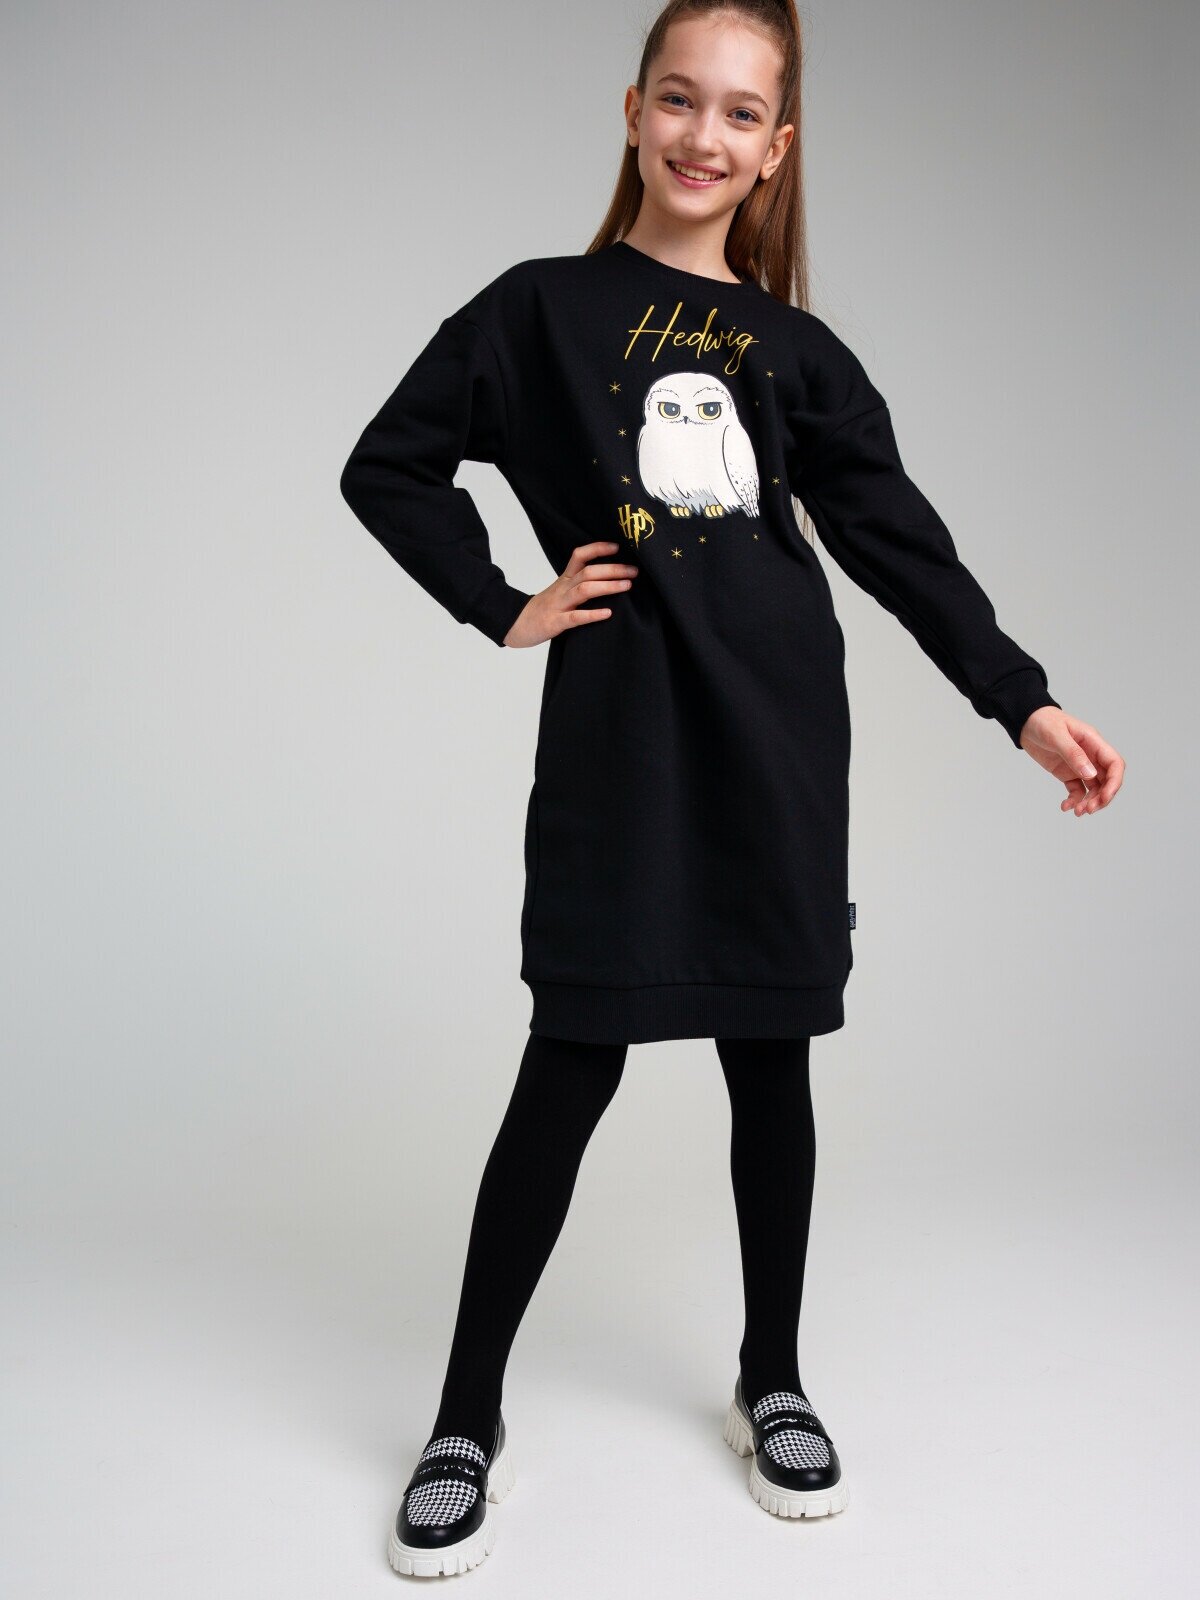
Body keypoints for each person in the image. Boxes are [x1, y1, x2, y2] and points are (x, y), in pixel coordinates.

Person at [339, 0, 1124, 1577]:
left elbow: (901, 547)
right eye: (681, 100)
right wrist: (501, 602)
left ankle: (774, 1379)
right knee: (572, 1059)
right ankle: (465, 1416)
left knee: (772, 1064)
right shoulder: (538, 310)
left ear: (778, 150)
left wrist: (1021, 700)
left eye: (742, 114)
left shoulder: (801, 352)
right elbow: (388, 463)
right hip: (622, 746)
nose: (706, 136)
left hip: (778, 740)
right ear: (634, 111)